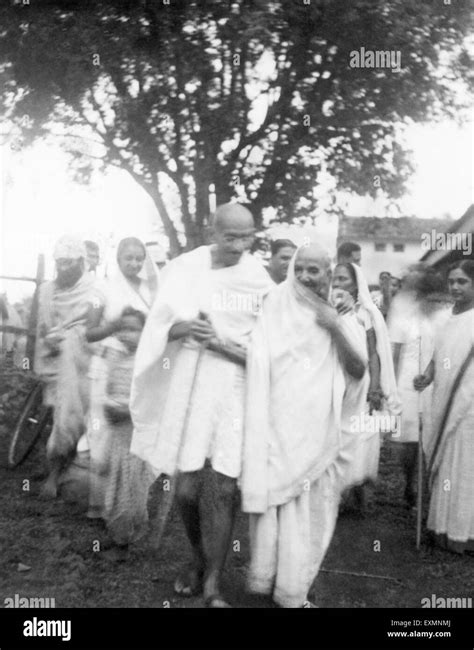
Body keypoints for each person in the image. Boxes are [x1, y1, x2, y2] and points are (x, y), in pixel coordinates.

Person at [130, 203, 274, 607]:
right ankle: (197, 556)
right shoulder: (185, 268)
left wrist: (225, 347)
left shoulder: (257, 277)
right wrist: (183, 327)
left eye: (248, 237)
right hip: (190, 382)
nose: (240, 245)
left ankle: (213, 579)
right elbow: (158, 327)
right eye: (231, 237)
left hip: (234, 385)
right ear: (213, 232)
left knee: (225, 487)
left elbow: (268, 346)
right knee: (187, 488)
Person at [241, 243, 366, 608]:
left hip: (319, 429)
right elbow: (256, 356)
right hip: (275, 426)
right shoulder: (273, 303)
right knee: (274, 506)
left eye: (315, 270)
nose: (306, 277)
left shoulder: (340, 311)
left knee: (312, 510)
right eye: (301, 269)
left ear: (330, 272)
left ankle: (294, 589)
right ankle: (266, 582)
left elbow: (358, 369)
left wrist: (335, 326)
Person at [85, 236, 158, 554]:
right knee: (102, 442)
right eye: (128, 257)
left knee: (131, 448)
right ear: (117, 258)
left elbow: (155, 330)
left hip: (137, 367)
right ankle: (100, 506)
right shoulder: (102, 290)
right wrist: (115, 326)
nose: (134, 263)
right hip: (108, 365)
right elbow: (89, 332)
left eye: (139, 258)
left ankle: (126, 510)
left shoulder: (149, 291)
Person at [414, 260, 474, 553]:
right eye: (452, 281)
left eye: (462, 281)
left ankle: (465, 533)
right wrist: (426, 375)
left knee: (466, 468)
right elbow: (439, 357)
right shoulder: (445, 318)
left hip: (469, 407)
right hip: (443, 401)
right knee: (447, 464)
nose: (455, 287)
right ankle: (441, 528)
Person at [332, 263, 401, 514]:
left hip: (362, 385)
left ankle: (359, 494)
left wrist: (374, 387)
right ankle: (335, 496)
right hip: (337, 383)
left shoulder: (368, 313)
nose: (337, 284)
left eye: (343, 279)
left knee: (362, 437)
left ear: (355, 282)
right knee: (337, 436)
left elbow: (374, 353)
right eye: (334, 279)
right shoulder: (330, 308)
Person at [35, 236, 95, 499]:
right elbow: (42, 327)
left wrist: (73, 337)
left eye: (68, 263)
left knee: (71, 418)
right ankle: (53, 466)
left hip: (82, 362)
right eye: (58, 263)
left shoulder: (95, 290)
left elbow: (96, 329)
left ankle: (57, 474)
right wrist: (50, 338)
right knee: (55, 417)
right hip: (53, 357)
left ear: (82, 262)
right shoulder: (47, 291)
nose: (62, 269)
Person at [389, 265, 449, 508]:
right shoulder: (404, 312)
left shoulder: (446, 314)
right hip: (407, 380)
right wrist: (391, 386)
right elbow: (396, 351)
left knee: (435, 433)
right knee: (408, 438)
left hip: (438, 378)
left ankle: (433, 485)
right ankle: (410, 482)